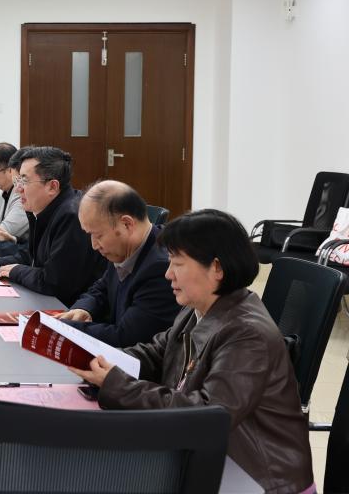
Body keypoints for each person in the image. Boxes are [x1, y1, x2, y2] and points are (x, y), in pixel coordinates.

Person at [70, 209, 313, 494]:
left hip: (257, 481)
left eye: (178, 263)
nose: (168, 273)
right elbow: (155, 353)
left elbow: (207, 415)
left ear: (216, 268)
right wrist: (101, 360)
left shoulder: (247, 334)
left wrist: (117, 384)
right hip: (213, 461)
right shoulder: (197, 309)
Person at [0, 146, 107, 307]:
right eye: (17, 181)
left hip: (72, 311)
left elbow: (54, 283)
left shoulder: (71, 216)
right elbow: (30, 257)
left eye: (24, 181)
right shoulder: (43, 210)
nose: (18, 189)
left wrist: (16, 271)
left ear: (52, 187)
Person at [55, 180, 178, 346]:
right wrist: (83, 308)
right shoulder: (123, 249)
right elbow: (102, 287)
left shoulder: (161, 268)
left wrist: (62, 329)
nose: (94, 245)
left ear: (127, 224)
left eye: (98, 235)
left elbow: (126, 338)